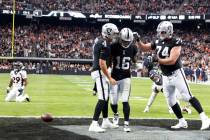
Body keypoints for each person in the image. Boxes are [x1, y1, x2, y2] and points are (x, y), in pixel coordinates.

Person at [135, 21, 210, 130]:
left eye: (163, 32)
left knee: (187, 96)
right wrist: (138, 40)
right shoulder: (158, 41)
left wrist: (157, 59)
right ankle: (182, 121)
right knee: (170, 100)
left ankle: (205, 118)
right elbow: (143, 48)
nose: (161, 33)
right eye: (160, 31)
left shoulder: (176, 42)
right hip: (165, 76)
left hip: (176, 74)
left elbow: (172, 60)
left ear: (169, 31)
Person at [89, 23, 119, 133]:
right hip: (100, 72)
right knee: (102, 98)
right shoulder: (105, 43)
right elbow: (102, 63)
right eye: (114, 33)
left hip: (98, 71)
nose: (115, 36)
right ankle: (94, 123)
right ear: (109, 33)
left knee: (105, 97)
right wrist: (109, 77)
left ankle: (105, 121)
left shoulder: (100, 40)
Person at [109, 28, 138, 132]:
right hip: (114, 76)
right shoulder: (113, 46)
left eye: (128, 41)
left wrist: (135, 59)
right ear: (120, 38)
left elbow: (134, 60)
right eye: (124, 41)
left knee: (125, 100)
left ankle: (126, 123)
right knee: (113, 101)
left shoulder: (133, 47)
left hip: (126, 76)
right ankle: (116, 114)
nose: (126, 43)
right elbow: (109, 60)